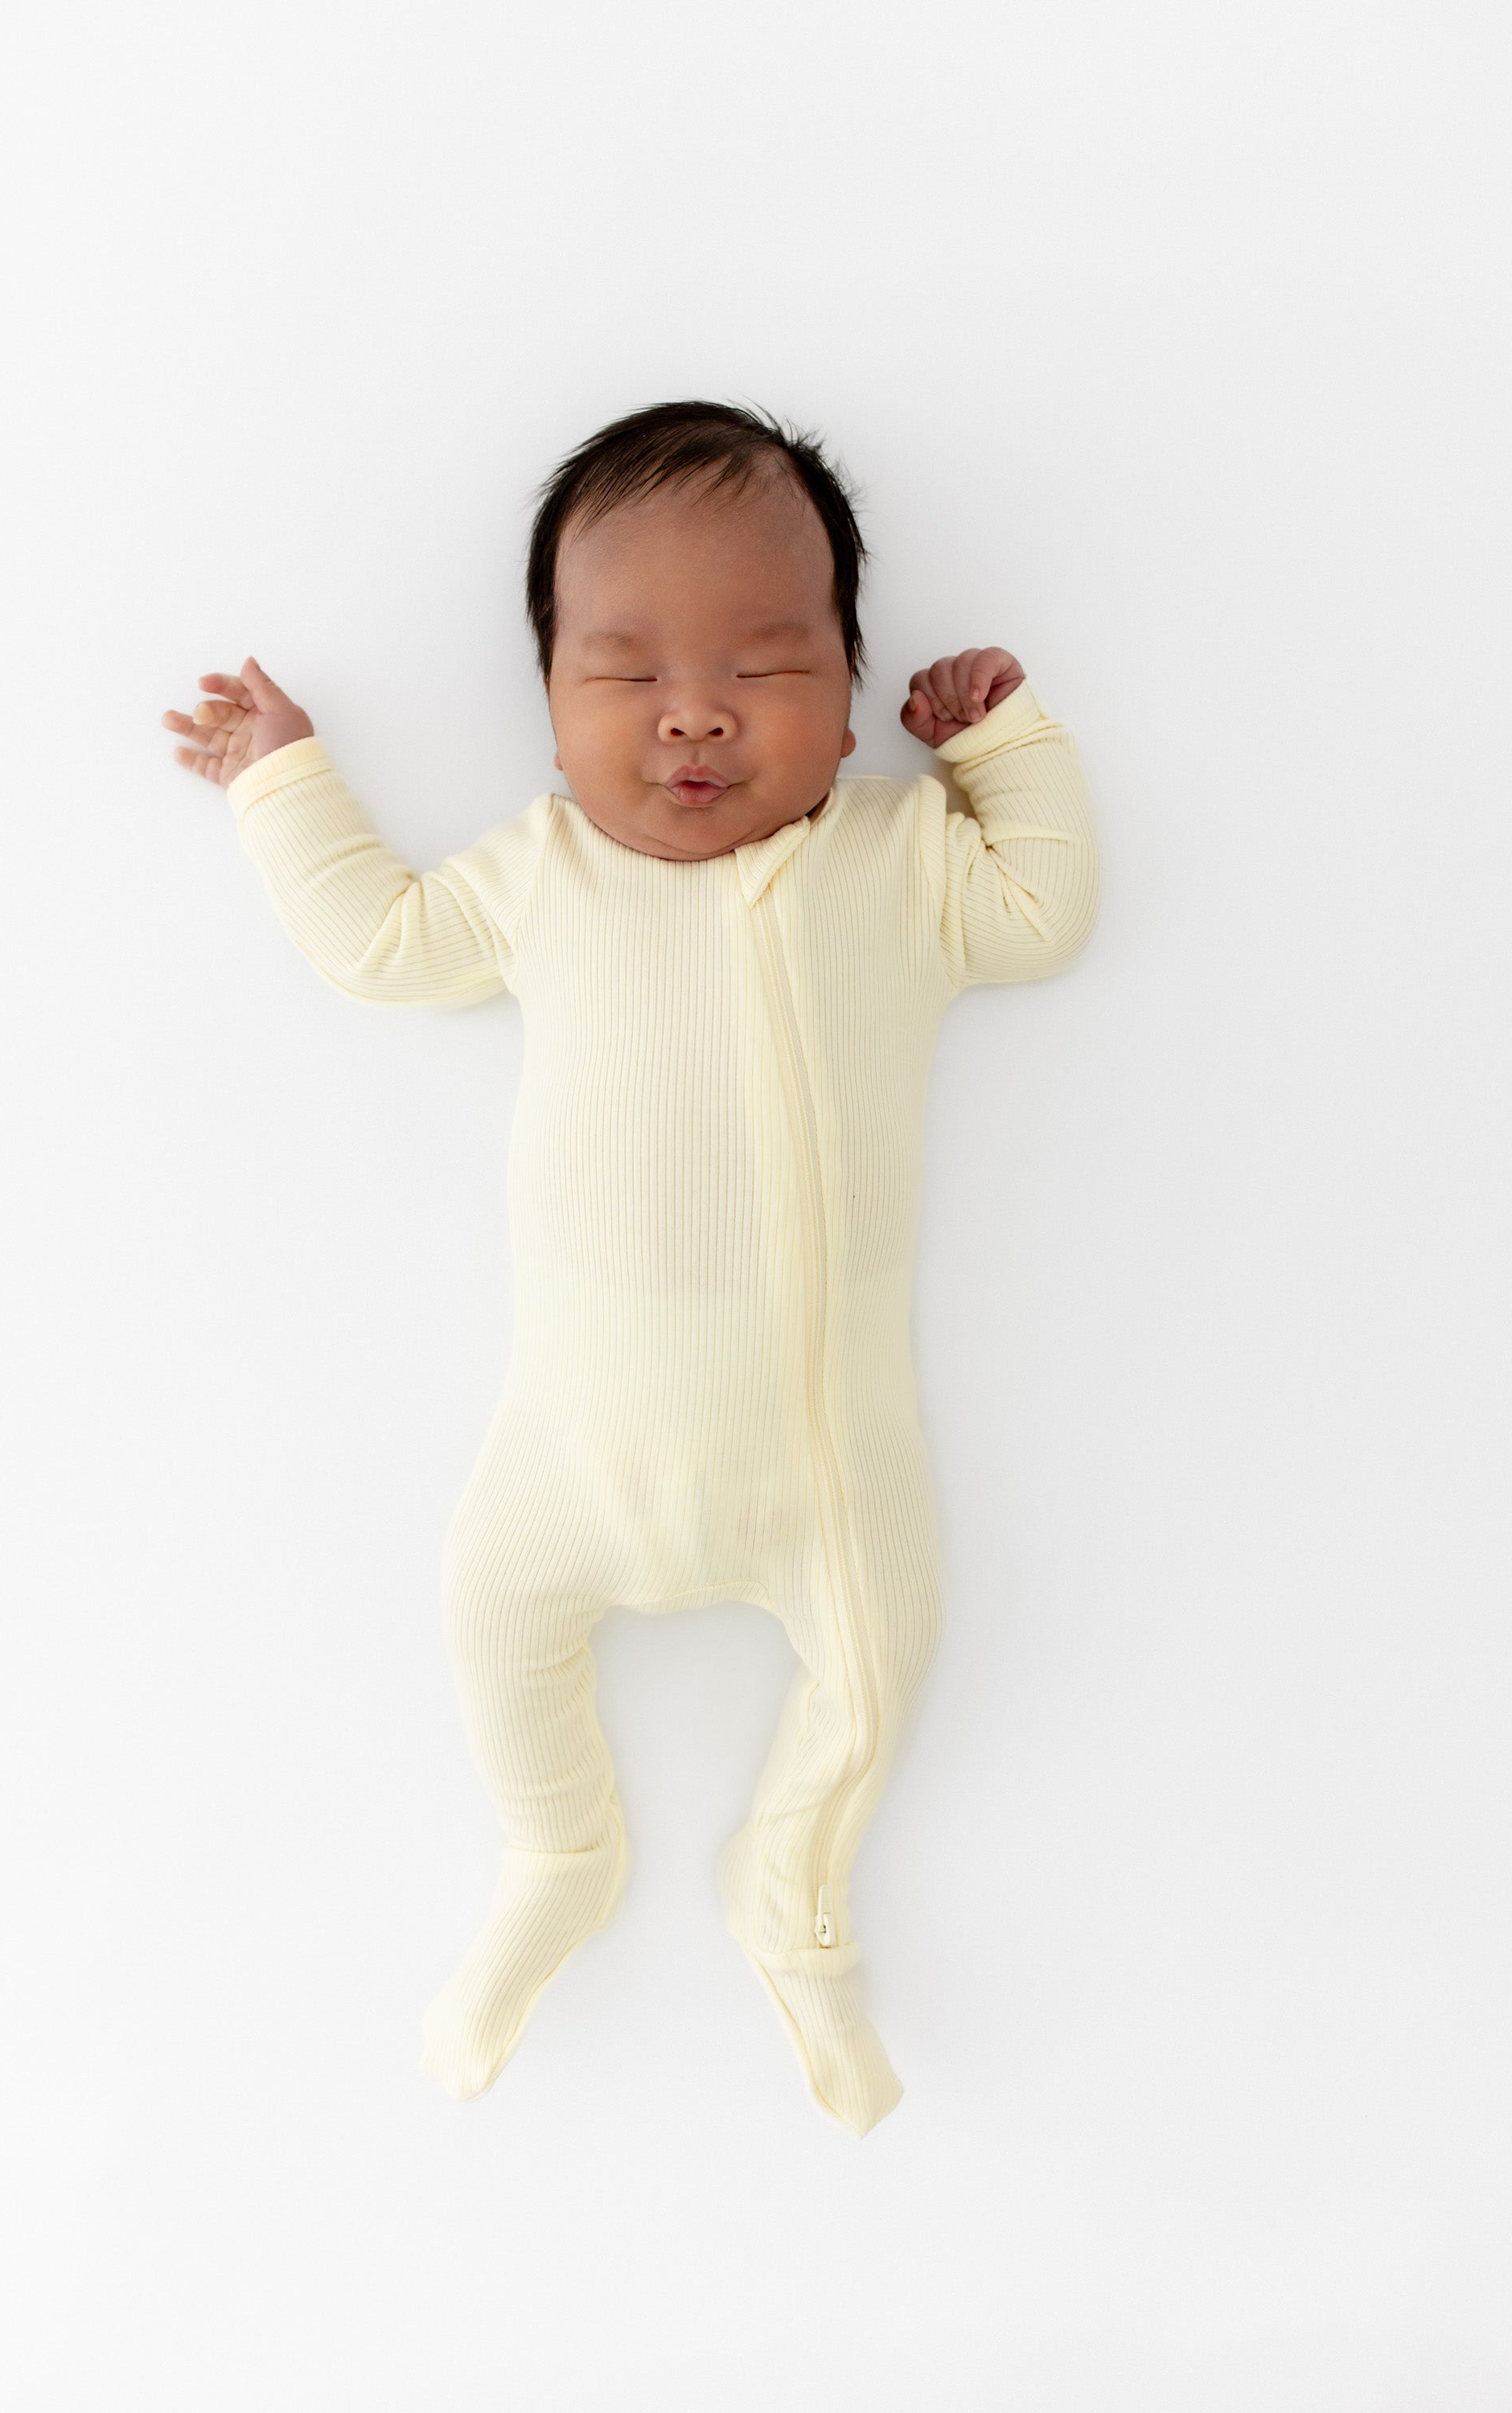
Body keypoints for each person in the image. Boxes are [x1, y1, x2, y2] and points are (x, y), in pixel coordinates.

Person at [162, 400, 1103, 2136]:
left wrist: (1003, 748)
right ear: (546, 700)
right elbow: (378, 944)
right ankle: (560, 1848)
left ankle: (790, 1893)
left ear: (848, 678)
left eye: (766, 662)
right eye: (624, 671)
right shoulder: (542, 876)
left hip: (826, 1463)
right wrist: (285, 779)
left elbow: (1044, 914)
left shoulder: (896, 861)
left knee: (886, 1655)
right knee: (486, 1605)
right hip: (568, 1461)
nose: (694, 711)